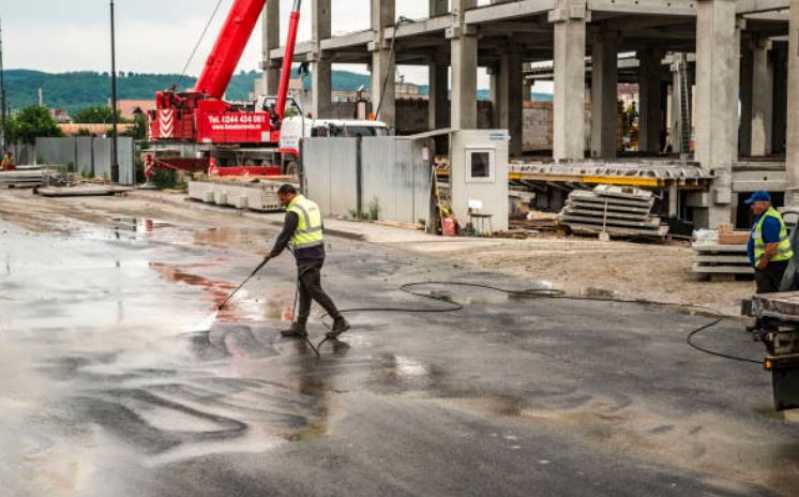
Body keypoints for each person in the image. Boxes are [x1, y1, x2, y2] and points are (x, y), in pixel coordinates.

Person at [265, 184, 350, 339]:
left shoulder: (294, 211)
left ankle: (339, 320)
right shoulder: (312, 205)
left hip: (307, 255)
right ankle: (300, 327)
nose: (281, 201)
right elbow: (320, 228)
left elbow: (285, 235)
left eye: (282, 198)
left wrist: (273, 253)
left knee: (313, 289)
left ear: (289, 194)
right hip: (317, 251)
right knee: (305, 289)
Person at [746, 191, 794, 295]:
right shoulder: (763, 216)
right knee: (767, 293)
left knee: (766, 294)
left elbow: (773, 245)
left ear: (764, 204)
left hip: (772, 265)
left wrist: (763, 263)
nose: (752, 207)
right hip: (770, 265)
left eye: (754, 204)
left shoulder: (769, 220)